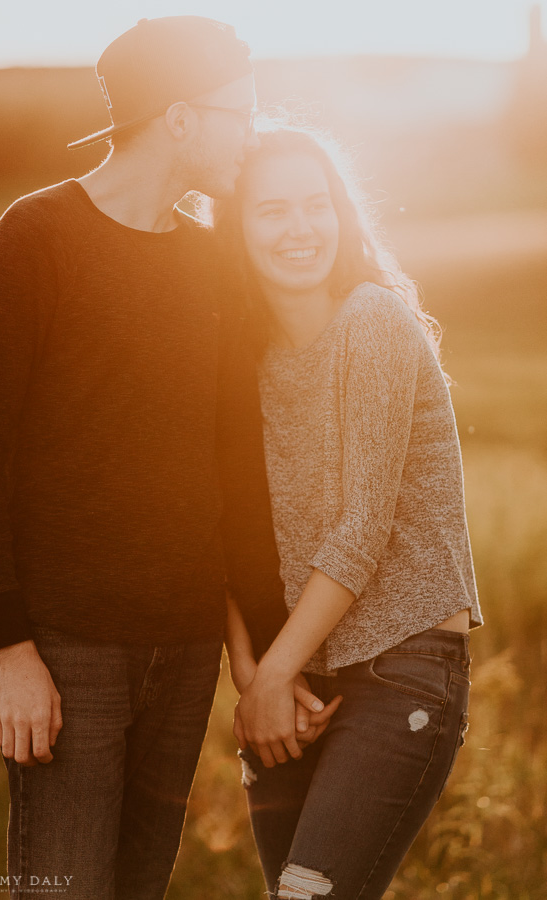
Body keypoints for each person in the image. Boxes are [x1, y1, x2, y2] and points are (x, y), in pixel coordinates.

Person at [0, 20, 330, 900]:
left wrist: (261, 655)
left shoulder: (210, 263)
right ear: (183, 119)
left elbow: (234, 467)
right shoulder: (33, 237)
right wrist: (11, 649)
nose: (253, 134)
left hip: (186, 649)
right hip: (67, 650)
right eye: (242, 113)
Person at [219, 125, 483, 900]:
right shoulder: (239, 364)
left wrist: (271, 673)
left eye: (316, 204)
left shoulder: (371, 322)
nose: (299, 229)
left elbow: (360, 530)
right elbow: (221, 529)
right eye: (271, 210)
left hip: (400, 669)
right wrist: (251, 672)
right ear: (236, 227)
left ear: (342, 215)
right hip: (294, 679)